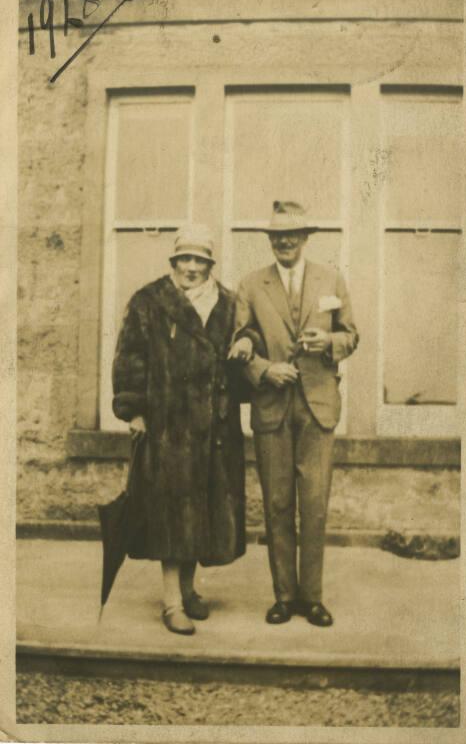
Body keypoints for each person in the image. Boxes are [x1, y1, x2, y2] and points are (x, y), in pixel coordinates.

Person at [112, 224, 246, 635]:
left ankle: (188, 590)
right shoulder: (149, 301)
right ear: (173, 262)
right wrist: (134, 410)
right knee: (172, 510)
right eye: (184, 259)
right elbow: (130, 357)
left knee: (201, 507)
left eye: (199, 260)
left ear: (210, 264)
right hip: (168, 426)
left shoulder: (227, 303)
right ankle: (171, 602)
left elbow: (244, 337)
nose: (191, 267)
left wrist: (248, 342)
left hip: (215, 427)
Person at [229, 201, 358, 627]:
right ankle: (284, 596)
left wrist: (331, 341)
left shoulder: (331, 278)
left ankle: (312, 597)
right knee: (278, 504)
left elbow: (352, 334)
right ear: (270, 241)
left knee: (315, 505)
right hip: (272, 408)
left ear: (305, 238)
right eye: (277, 236)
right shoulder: (250, 285)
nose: (285, 242)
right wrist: (266, 370)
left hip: (318, 406)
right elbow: (238, 343)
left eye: (293, 235)